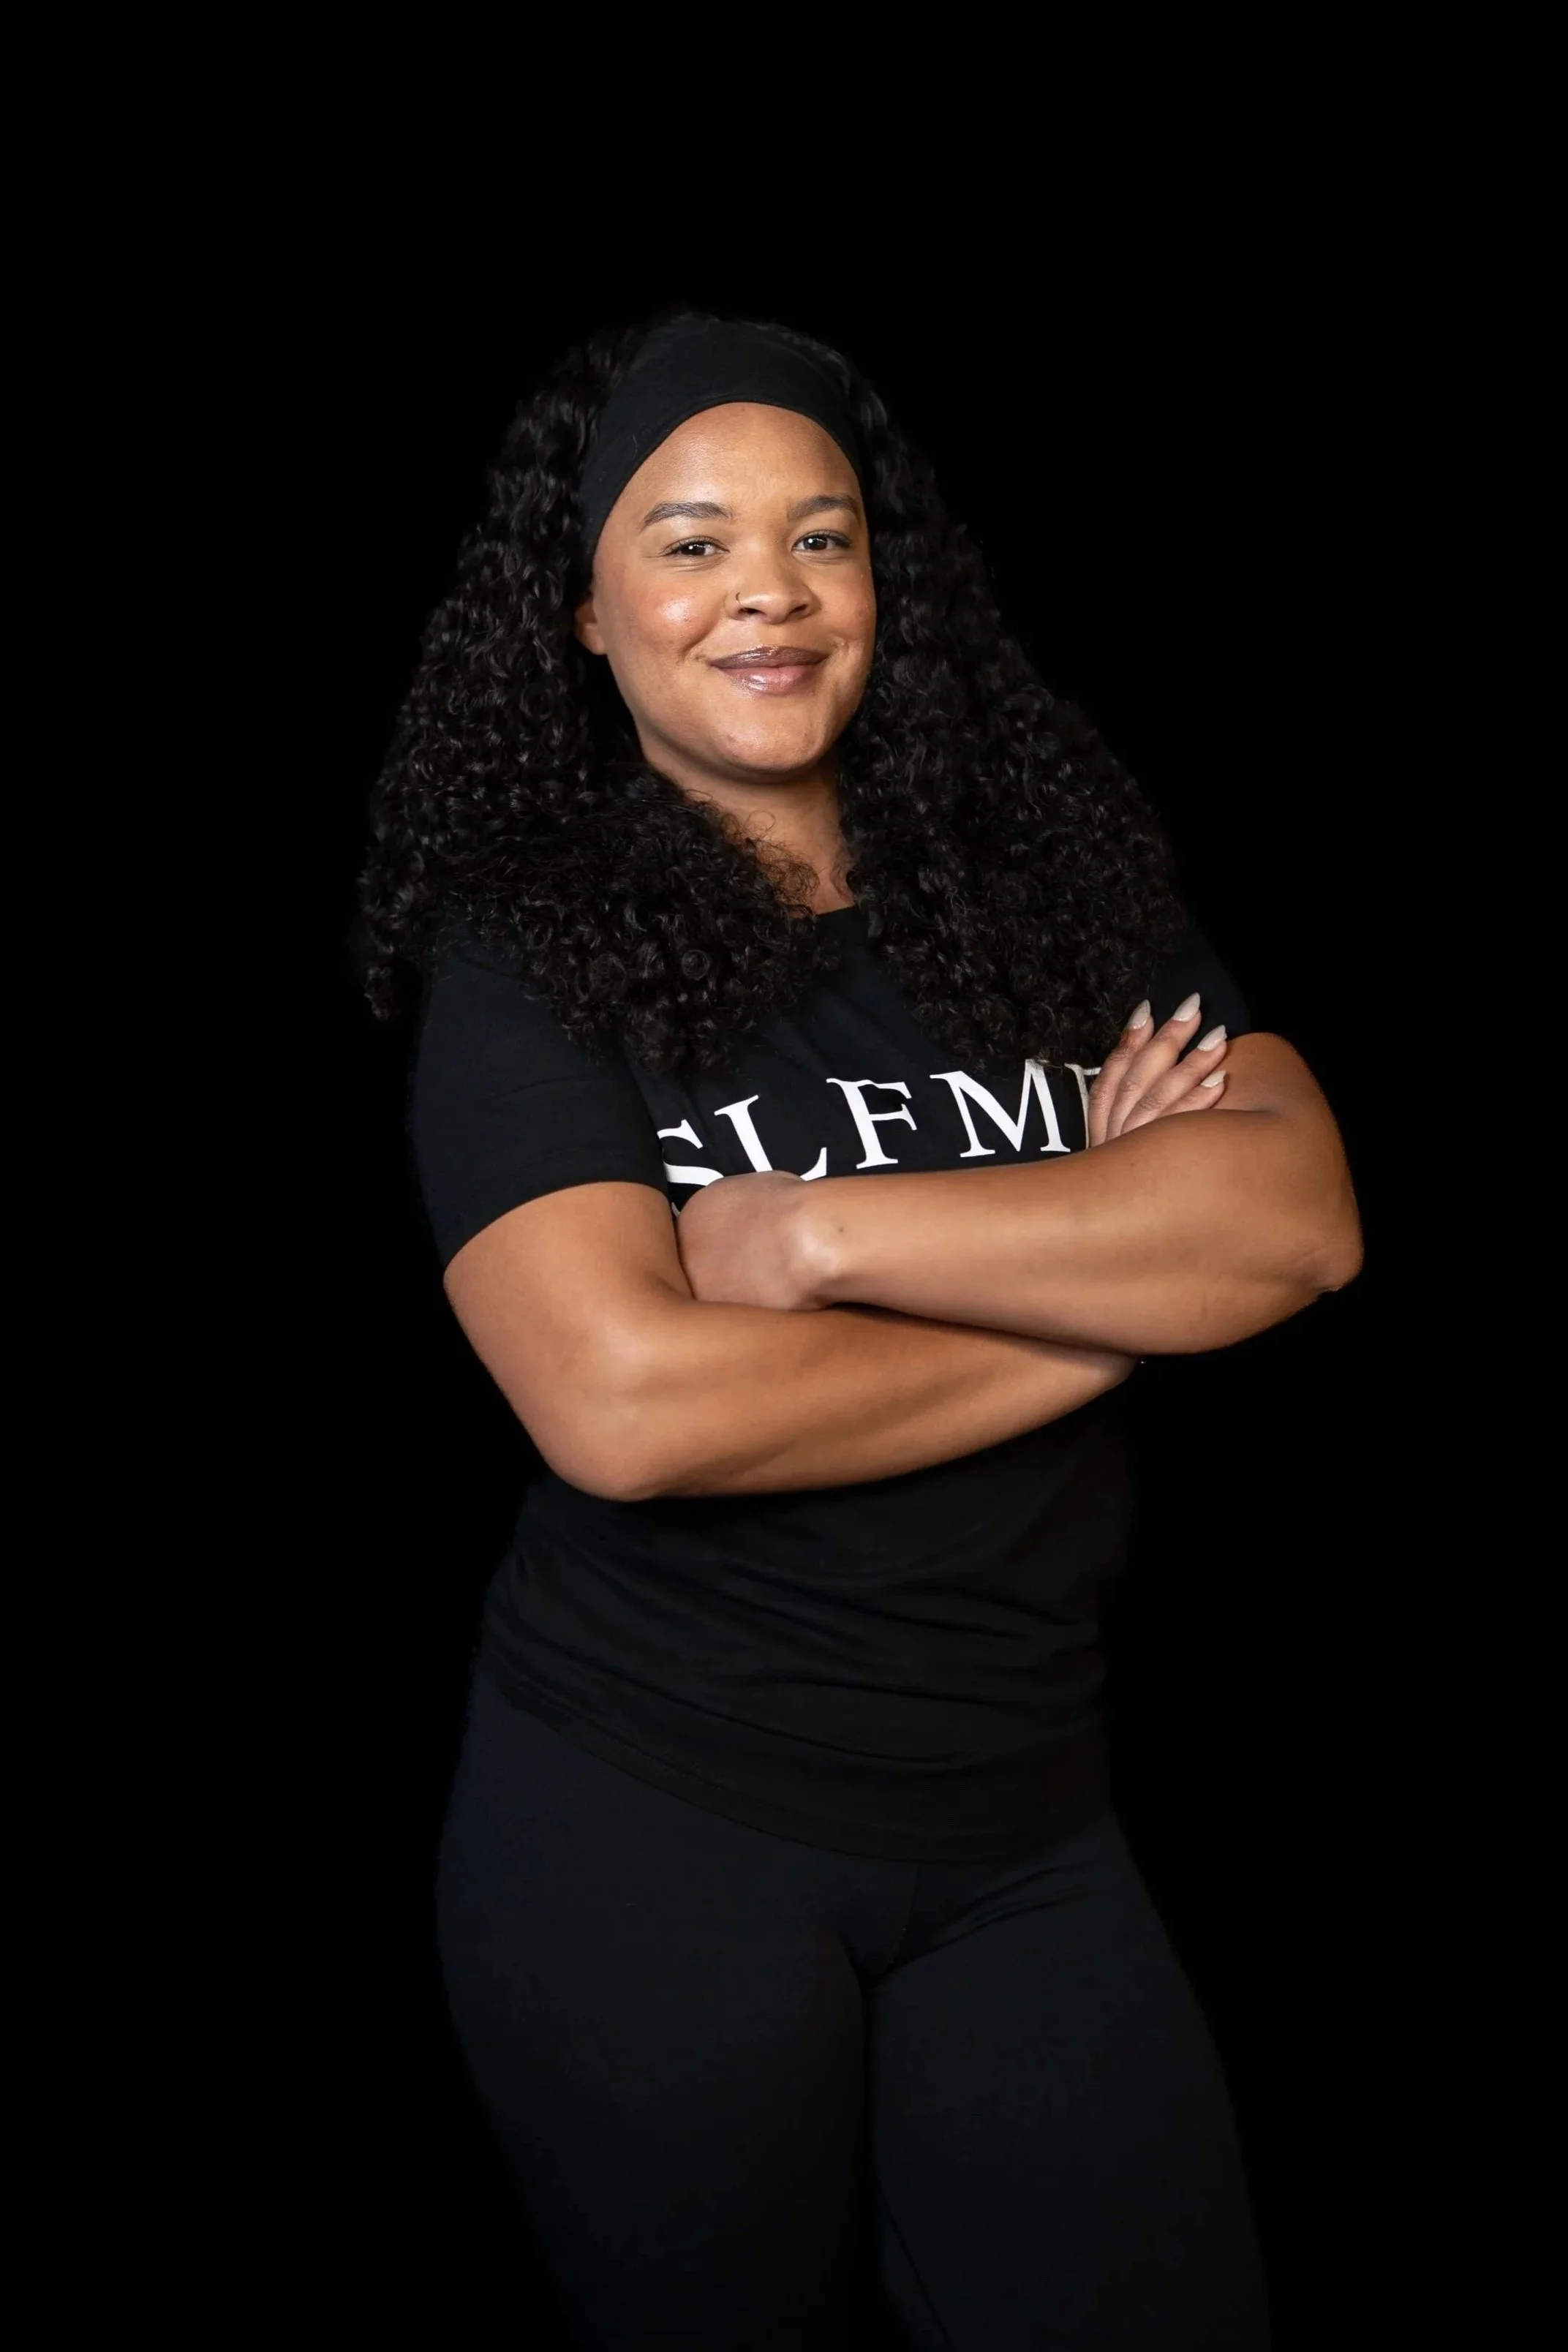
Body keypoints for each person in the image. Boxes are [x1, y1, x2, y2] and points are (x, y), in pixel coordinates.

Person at [358, 309, 1361, 2350]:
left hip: (1027, 1822)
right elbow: (630, 1407)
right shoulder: (530, 954)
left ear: (885, 583)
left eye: (823, 540)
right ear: (584, 605)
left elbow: (1295, 1219)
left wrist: (815, 1240)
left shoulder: (1040, 889)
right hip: (656, 1832)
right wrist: (1113, 1298)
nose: (770, 599)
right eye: (695, 541)